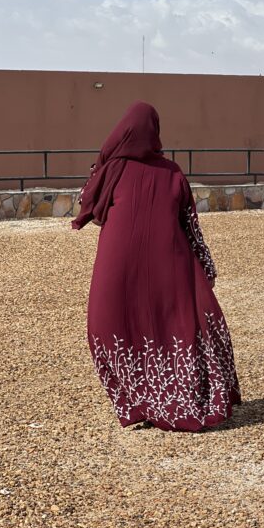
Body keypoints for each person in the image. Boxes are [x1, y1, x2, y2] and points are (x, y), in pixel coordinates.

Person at [72, 101, 241, 431]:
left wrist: (106, 162)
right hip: (170, 264)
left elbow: (89, 204)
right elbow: (191, 225)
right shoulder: (172, 173)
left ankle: (142, 404)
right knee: (178, 325)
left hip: (119, 266)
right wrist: (205, 265)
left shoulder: (112, 170)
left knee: (111, 326)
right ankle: (177, 401)